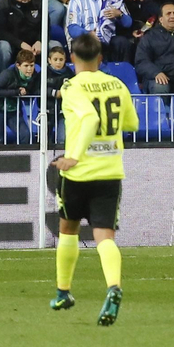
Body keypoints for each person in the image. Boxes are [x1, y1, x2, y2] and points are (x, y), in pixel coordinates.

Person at [49, 32, 138, 324]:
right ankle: (113, 287)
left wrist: (73, 156)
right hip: (110, 171)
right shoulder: (118, 84)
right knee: (104, 236)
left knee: (68, 228)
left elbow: (90, 118)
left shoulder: (72, 86)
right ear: (100, 58)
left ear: (72, 58)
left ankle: (63, 291)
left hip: (79, 172)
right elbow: (132, 123)